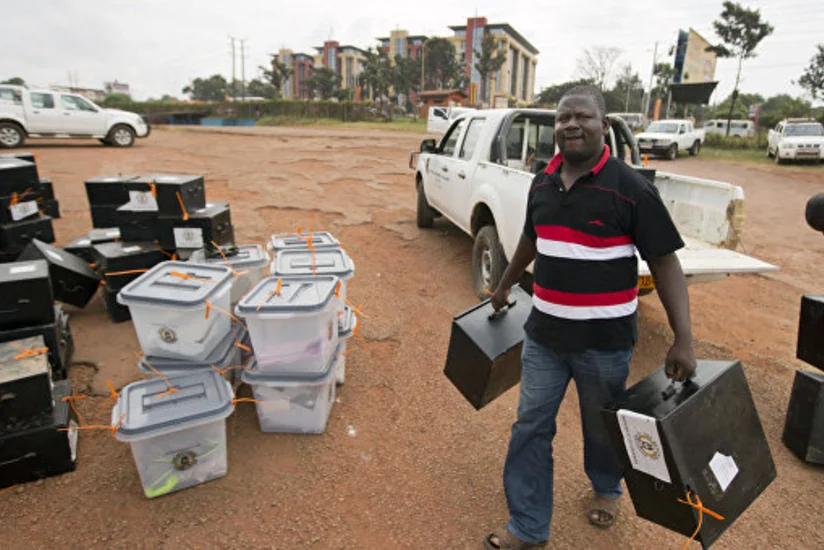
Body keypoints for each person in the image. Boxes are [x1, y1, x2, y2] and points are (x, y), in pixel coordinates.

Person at [483, 86, 697, 550]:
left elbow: (664, 263)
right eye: (562, 118)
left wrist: (683, 337)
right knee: (530, 425)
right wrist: (505, 284)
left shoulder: (631, 188)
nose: (571, 125)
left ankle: (606, 486)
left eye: (582, 116)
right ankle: (528, 525)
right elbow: (529, 238)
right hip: (544, 336)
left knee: (602, 424)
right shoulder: (541, 182)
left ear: (605, 125)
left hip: (605, 342)